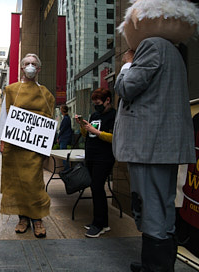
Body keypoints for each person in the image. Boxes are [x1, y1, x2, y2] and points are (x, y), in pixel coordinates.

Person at [113, 37, 195, 271]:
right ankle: (156, 262)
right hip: (159, 147)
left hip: (149, 148)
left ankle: (155, 266)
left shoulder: (151, 46)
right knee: (162, 207)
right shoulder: (173, 49)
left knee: (151, 209)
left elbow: (127, 88)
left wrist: (128, 64)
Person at [0, 53, 55, 238]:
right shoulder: (11, 90)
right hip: (15, 147)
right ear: (22, 68)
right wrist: (2, 140)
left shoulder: (46, 94)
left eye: (33, 64)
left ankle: (37, 219)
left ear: (38, 69)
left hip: (35, 148)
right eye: (27, 63)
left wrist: (47, 145)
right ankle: (23, 218)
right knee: (18, 183)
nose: (30, 66)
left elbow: (50, 122)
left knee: (35, 183)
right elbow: (4, 117)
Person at [75, 88, 116, 238]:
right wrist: (83, 126)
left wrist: (96, 131)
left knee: (98, 187)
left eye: (98, 103)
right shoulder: (95, 115)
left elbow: (114, 138)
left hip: (104, 157)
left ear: (107, 100)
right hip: (91, 155)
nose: (96, 105)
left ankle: (99, 224)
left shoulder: (114, 116)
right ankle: (100, 222)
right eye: (94, 103)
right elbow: (88, 135)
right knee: (95, 188)